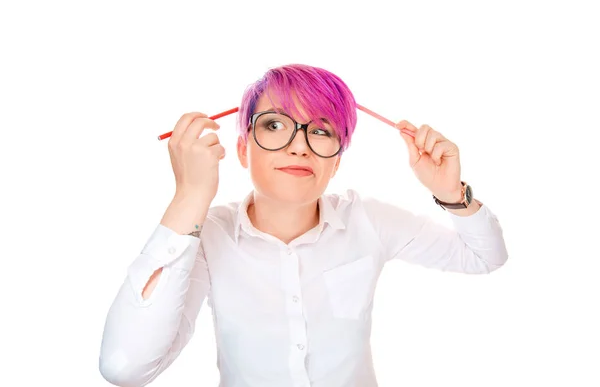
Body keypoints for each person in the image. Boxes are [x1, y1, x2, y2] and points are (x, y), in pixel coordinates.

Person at [98, 64, 508, 387]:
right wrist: (189, 195)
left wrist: (452, 193)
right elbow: (124, 367)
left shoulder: (369, 220)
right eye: (274, 125)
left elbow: (486, 257)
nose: (298, 144)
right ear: (243, 149)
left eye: (321, 130)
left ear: (336, 162)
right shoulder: (206, 238)